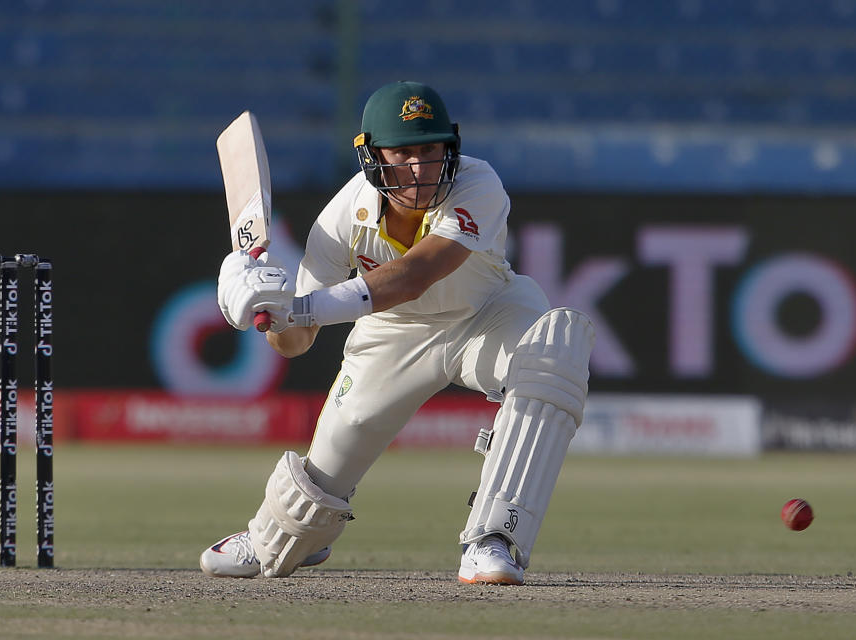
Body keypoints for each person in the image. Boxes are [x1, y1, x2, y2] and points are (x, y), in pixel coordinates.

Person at [200, 81, 595, 585]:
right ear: (370, 155)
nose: (419, 168)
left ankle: (495, 539)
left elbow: (414, 276)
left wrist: (301, 307)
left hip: (488, 311)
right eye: (403, 152)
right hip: (391, 335)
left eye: (430, 150)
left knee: (552, 351)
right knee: (322, 479)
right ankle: (274, 539)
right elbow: (294, 344)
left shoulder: (480, 183)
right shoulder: (339, 219)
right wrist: (270, 310)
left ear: (449, 148)